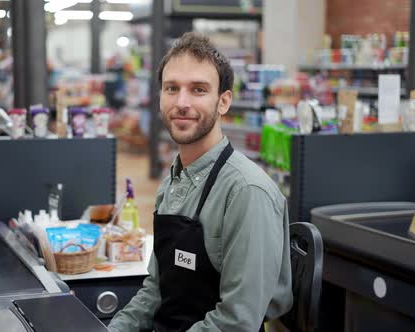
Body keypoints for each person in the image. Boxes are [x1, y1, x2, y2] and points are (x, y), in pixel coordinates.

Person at [107, 32, 293, 332]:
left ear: (223, 102)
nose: (182, 102)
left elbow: (237, 322)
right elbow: (156, 290)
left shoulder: (246, 192)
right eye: (172, 88)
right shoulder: (174, 180)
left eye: (198, 90)